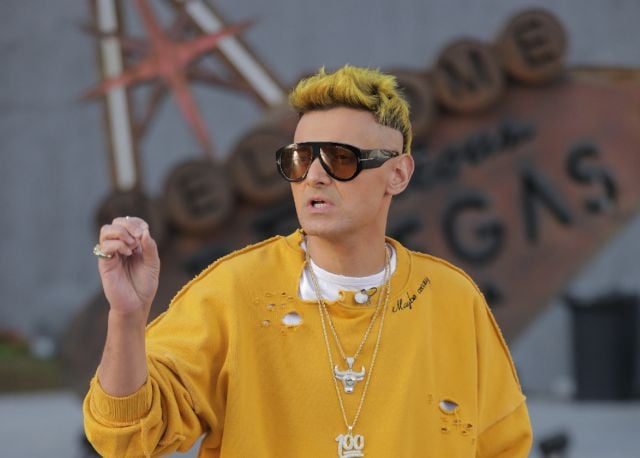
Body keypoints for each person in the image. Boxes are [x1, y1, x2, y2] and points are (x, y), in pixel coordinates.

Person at [84, 65, 532, 457]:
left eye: (340, 158)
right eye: (299, 159)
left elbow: (503, 446)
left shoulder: (453, 301)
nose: (314, 175)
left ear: (398, 174)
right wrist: (126, 317)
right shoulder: (234, 292)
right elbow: (125, 437)